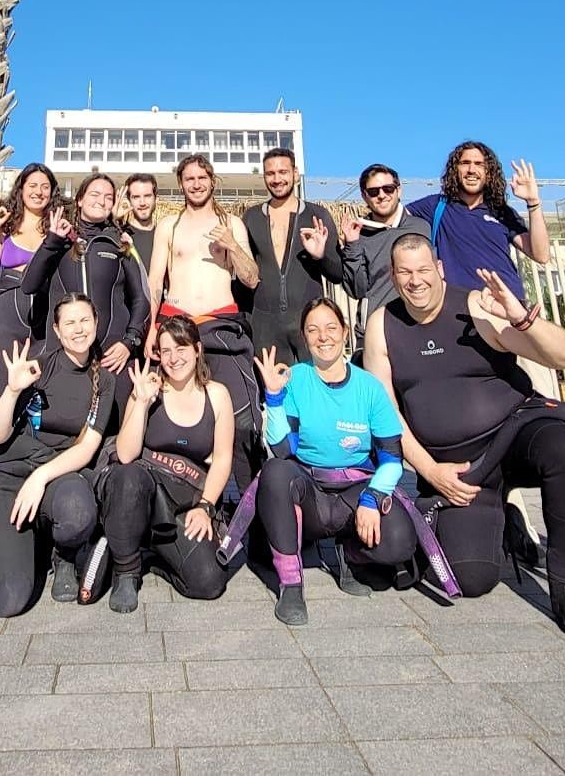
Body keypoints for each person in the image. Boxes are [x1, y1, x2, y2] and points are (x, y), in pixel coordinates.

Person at [364, 233, 565, 641]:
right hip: (459, 469)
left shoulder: (476, 309)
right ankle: (508, 524)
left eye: (424, 270)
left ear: (440, 270)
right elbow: (387, 414)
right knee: (472, 579)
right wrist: (429, 469)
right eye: (405, 272)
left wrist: (521, 318)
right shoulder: (382, 325)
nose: (416, 281)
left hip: (515, 433)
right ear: (393, 276)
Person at [219, 297, 415, 627]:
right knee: (276, 473)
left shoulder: (370, 388)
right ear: (304, 337)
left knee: (399, 542)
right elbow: (282, 450)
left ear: (344, 332)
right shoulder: (294, 378)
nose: (323, 337)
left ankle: (350, 555)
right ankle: (291, 584)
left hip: (355, 491)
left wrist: (373, 497)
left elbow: (393, 459)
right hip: (310, 492)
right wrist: (275, 398)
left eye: (330, 328)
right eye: (313, 330)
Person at [0, 295, 114, 616]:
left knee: (77, 513)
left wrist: (40, 476)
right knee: (9, 600)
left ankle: (61, 553)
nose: (79, 329)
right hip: (6, 474)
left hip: (57, 475)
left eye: (85, 320)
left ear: (96, 324)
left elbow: (87, 448)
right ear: (57, 332)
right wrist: (13, 390)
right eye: (70, 323)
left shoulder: (104, 380)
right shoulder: (37, 366)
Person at [90, 313, 233, 612]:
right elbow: (126, 455)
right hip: (141, 488)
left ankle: (147, 553)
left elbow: (222, 459)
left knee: (209, 582)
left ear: (197, 350)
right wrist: (141, 402)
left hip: (183, 502)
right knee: (128, 476)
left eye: (181, 349)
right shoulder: (149, 388)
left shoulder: (217, 395)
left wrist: (206, 506)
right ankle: (126, 570)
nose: (173, 358)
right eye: (165, 350)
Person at [146, 155, 260, 492]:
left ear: (213, 180)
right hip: (176, 325)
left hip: (220, 326)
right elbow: (155, 280)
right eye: (189, 178)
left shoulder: (232, 224)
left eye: (202, 177)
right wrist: (151, 327)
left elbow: (252, 279)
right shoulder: (169, 225)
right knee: (166, 410)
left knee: (241, 417)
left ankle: (245, 501)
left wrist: (232, 246)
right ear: (180, 183)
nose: (196, 184)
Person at [23, 174, 150, 403]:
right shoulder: (60, 239)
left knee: (115, 432)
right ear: (80, 199)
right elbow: (29, 285)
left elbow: (141, 299)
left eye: (108, 197)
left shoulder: (120, 243)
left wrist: (129, 342)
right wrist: (51, 242)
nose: (101, 201)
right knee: (64, 427)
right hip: (66, 353)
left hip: (113, 355)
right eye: (95, 194)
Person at [407, 142, 549, 303]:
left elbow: (541, 255)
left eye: (479, 164)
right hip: (458, 309)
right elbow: (393, 215)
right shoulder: (436, 206)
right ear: (455, 170)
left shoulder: (503, 212)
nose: (471, 170)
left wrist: (533, 202)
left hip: (507, 308)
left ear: (488, 172)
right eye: (465, 163)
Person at [242, 148, 344, 360]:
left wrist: (320, 255)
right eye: (270, 173)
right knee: (272, 391)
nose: (277, 179)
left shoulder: (317, 215)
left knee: (314, 388)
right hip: (264, 325)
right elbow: (243, 275)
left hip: (308, 322)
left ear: (295, 174)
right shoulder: (251, 218)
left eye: (283, 172)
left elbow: (337, 274)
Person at [0, 162, 59, 401]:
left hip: (43, 322)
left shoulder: (58, 229)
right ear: (21, 189)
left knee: (38, 397)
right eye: (33, 185)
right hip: (4, 320)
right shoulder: (5, 225)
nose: (39, 192)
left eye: (45, 186)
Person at [339, 164, 411, 331]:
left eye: (388, 189)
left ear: (398, 190)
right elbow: (356, 290)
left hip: (418, 327)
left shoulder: (421, 226)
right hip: (377, 330)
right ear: (365, 196)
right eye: (373, 191)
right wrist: (352, 245)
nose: (382, 195)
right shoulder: (358, 234)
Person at [122, 173, 160, 268]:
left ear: (156, 200)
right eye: (136, 197)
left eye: (147, 196)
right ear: (129, 202)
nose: (142, 203)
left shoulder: (164, 235)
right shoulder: (121, 236)